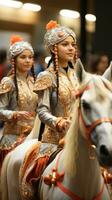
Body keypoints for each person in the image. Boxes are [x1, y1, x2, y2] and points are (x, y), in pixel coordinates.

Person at [34, 20, 79, 145]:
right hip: (54, 139)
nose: (71, 48)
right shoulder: (46, 76)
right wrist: (58, 122)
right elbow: (42, 111)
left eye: (73, 44)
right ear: (54, 49)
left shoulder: (76, 75)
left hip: (77, 137)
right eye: (65, 44)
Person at [0, 35, 38, 167]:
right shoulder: (8, 82)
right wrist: (14, 114)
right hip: (12, 139)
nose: (28, 61)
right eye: (23, 57)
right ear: (13, 60)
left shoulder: (34, 81)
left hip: (32, 138)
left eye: (30, 57)